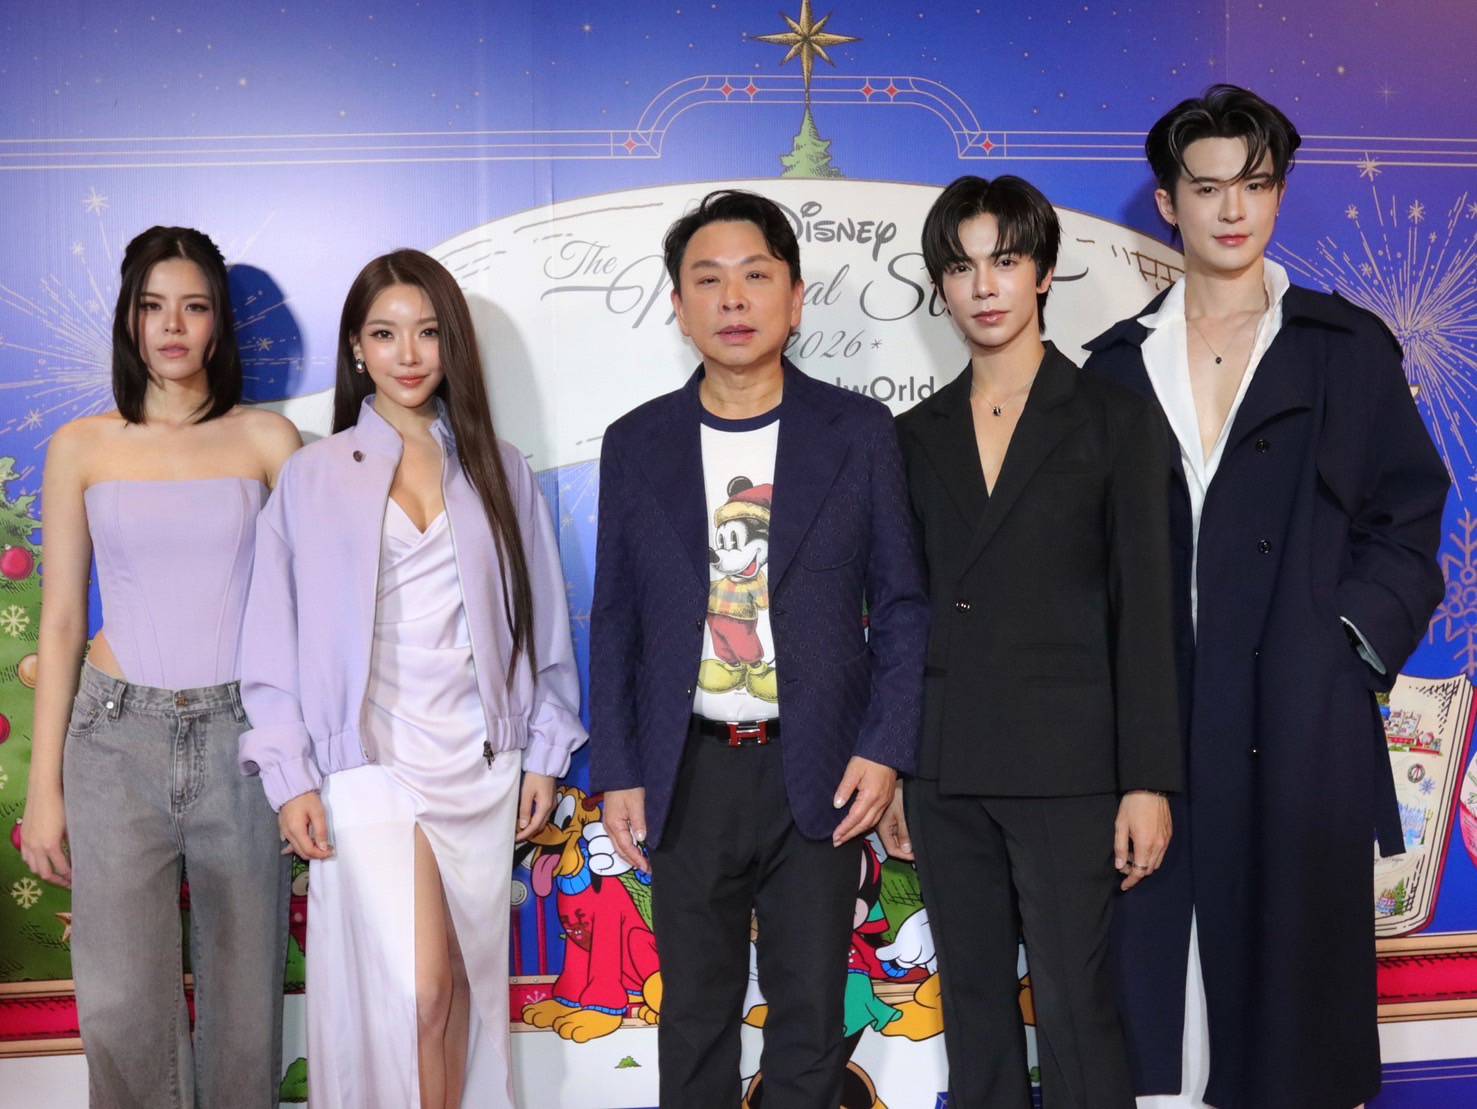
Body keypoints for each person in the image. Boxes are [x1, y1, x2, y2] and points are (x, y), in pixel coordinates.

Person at [1083, 84, 1450, 1109]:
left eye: (1253, 183)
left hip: (1296, 713)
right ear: (1169, 203)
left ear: (1279, 192)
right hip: (1154, 720)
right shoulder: (1113, 367)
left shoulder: (1345, 347)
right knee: (1159, 984)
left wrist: (1340, 643)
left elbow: (1409, 516)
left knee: (1292, 999)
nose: (1232, 208)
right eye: (1207, 188)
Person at [585, 189, 929, 1108]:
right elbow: (614, 618)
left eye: (755, 276)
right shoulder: (636, 442)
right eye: (708, 280)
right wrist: (619, 768)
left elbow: (902, 604)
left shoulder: (857, 432)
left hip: (818, 769)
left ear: (795, 297)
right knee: (694, 1018)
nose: (732, 299)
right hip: (686, 769)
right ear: (677, 304)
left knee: (809, 1019)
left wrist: (885, 747)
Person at [237, 249, 585, 1109]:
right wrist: (289, 774)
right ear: (357, 348)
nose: (408, 353)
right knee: (420, 991)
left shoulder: (499, 467)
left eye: (427, 332)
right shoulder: (313, 475)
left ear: (451, 344)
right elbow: (271, 638)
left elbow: (541, 621)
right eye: (385, 333)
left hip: (478, 762)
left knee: (461, 987)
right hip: (369, 760)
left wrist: (543, 751)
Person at [890, 175, 1182, 1108]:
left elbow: (1147, 612)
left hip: (1070, 768)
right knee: (973, 1009)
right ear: (941, 286)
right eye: (961, 266)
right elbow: (900, 614)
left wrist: (1147, 780)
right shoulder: (911, 435)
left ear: (1044, 273)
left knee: (1074, 1006)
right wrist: (897, 762)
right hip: (946, 768)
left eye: (1005, 260)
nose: (984, 285)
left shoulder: (1114, 420)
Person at [19, 226, 299, 1107]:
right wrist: (43, 789)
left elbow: (308, 615)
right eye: (152, 306)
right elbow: (62, 621)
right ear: (128, 319)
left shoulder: (270, 439)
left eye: (193, 306)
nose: (172, 326)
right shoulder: (81, 445)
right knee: (122, 1008)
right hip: (113, 740)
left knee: (244, 1008)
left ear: (219, 324)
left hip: (243, 740)